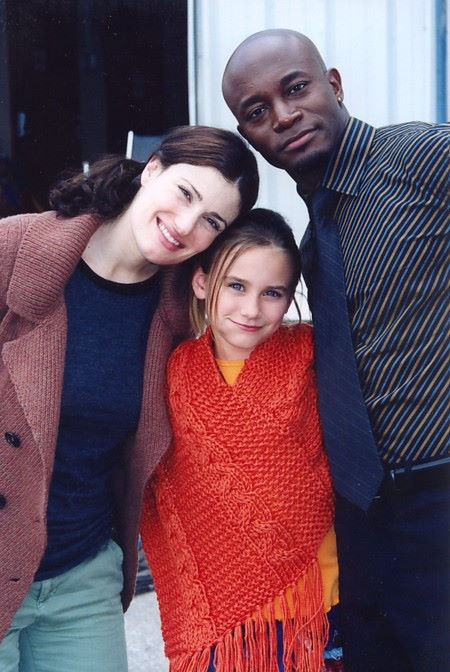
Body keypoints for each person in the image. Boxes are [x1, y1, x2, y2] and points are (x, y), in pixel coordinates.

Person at [221, 29, 449, 672]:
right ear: (250, 138)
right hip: (365, 521)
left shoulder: (420, 157)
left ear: (335, 85)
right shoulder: (313, 240)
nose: (284, 115)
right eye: (258, 111)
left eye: (296, 89)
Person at [0, 125, 259, 672]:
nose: (186, 226)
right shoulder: (15, 250)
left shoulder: (182, 318)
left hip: (81, 578)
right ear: (154, 168)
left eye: (212, 222)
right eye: (186, 194)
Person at [140, 208, 340, 671]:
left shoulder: (316, 357)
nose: (252, 310)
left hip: (320, 608)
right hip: (224, 626)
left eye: (273, 293)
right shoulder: (174, 374)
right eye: (236, 286)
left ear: (291, 296)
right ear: (201, 283)